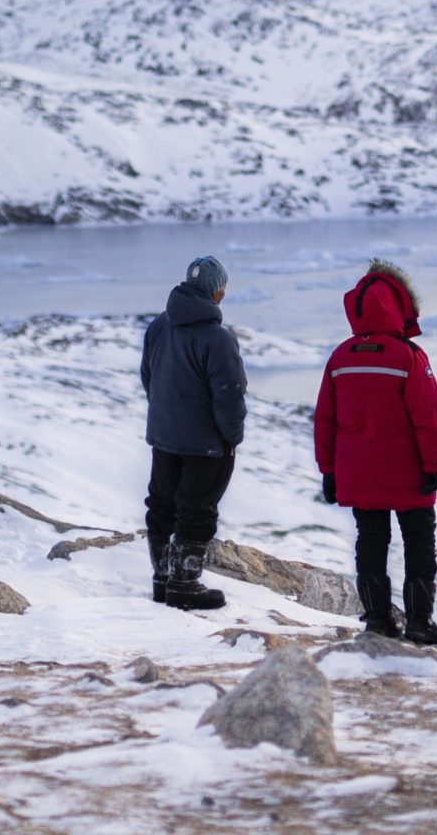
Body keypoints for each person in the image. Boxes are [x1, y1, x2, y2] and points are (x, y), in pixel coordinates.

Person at [313, 260, 437, 645]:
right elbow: (428, 416)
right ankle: (420, 622)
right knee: (419, 543)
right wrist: (435, 464)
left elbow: (325, 420)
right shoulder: (408, 356)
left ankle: (377, 620)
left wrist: (329, 470)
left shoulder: (341, 358)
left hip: (359, 474)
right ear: (399, 305)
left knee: (370, 542)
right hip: (408, 473)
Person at [140, 254, 247, 611]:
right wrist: (231, 437)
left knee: (162, 505)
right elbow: (229, 396)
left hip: (164, 436)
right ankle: (185, 585)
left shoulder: (159, 326)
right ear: (217, 292)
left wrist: (166, 416)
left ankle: (163, 580)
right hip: (205, 445)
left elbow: (149, 377)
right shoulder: (218, 339)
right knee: (197, 510)